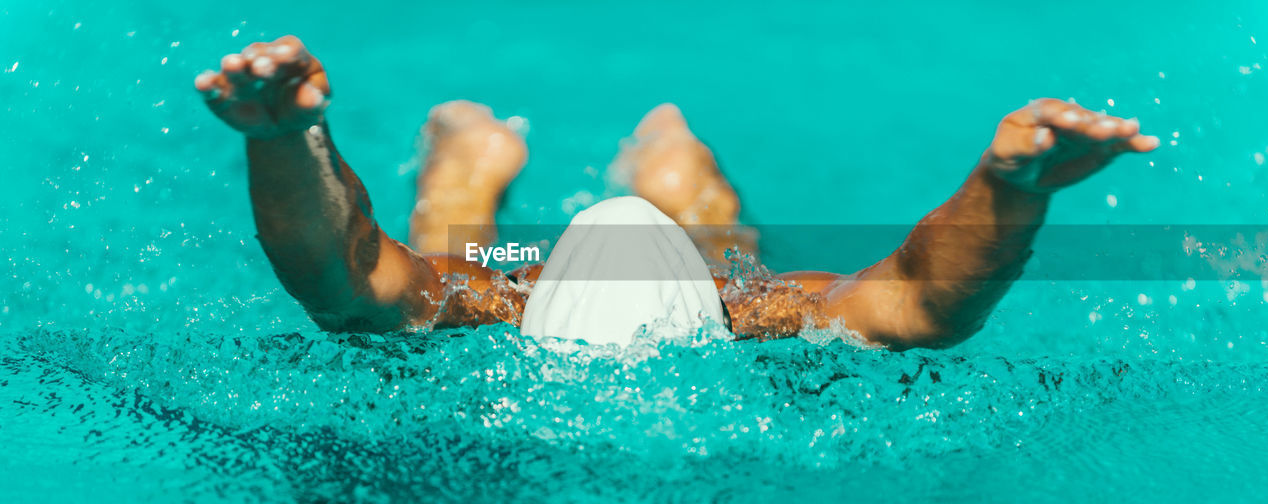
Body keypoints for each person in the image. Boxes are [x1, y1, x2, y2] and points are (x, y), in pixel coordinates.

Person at [194, 36, 1159, 350]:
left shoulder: (742, 312)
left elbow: (343, 274)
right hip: (585, 282)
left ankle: (480, 155)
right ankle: (644, 162)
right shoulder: (500, 300)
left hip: (666, 285)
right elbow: (925, 303)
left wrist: (289, 143)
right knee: (462, 251)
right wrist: (1009, 188)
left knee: (448, 251)